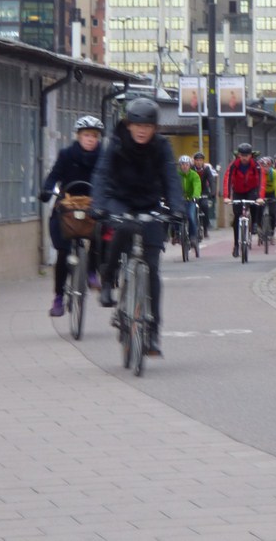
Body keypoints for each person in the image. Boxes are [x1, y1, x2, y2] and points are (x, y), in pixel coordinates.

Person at [91, 97, 184, 357]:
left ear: (155, 128)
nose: (142, 130)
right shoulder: (116, 143)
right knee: (122, 229)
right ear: (128, 124)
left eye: (148, 125)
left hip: (149, 203)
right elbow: (101, 173)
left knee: (152, 267)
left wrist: (177, 209)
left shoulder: (162, 146)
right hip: (119, 200)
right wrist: (99, 205)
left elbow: (171, 177)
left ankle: (152, 334)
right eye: (137, 124)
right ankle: (108, 279)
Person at [39, 115, 104, 318]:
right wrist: (47, 189)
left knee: (101, 234)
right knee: (63, 252)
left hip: (93, 205)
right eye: (86, 135)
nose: (90, 139)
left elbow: (111, 179)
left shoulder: (104, 157)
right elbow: (54, 176)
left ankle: (92, 272)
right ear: (78, 136)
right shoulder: (67, 155)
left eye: (94, 136)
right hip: (68, 206)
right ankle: (59, 297)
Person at [222, 142, 265, 257]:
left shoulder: (256, 166)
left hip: (252, 190)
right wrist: (226, 197)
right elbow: (227, 180)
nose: (244, 158)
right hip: (238, 192)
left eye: (247, 155)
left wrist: (260, 197)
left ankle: (255, 223)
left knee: (256, 203)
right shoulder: (233, 166)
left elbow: (262, 181)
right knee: (237, 217)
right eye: (242, 155)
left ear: (250, 155)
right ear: (239, 155)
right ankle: (236, 245)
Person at [176, 154, 202, 243]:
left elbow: (197, 186)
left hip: (191, 199)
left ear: (189, 165)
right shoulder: (176, 175)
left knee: (191, 216)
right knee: (175, 215)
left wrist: (195, 196)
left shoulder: (194, 175)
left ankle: (193, 236)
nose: (184, 166)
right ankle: (176, 234)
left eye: (186, 164)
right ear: (180, 165)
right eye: (182, 164)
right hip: (179, 200)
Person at [192, 152, 216, 238]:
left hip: (203, 192)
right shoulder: (191, 169)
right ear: (194, 161)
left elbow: (211, 180)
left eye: (200, 160)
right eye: (197, 160)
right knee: (191, 209)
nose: (198, 162)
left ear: (203, 161)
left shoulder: (206, 170)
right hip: (192, 192)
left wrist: (213, 192)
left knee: (205, 206)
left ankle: (205, 228)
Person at [258, 156, 276, 239]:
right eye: (263, 166)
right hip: (261, 194)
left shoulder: (275, 173)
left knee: (273, 212)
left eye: (267, 166)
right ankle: (259, 228)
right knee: (258, 211)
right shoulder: (258, 173)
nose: (265, 168)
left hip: (272, 193)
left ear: (270, 166)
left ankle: (272, 229)